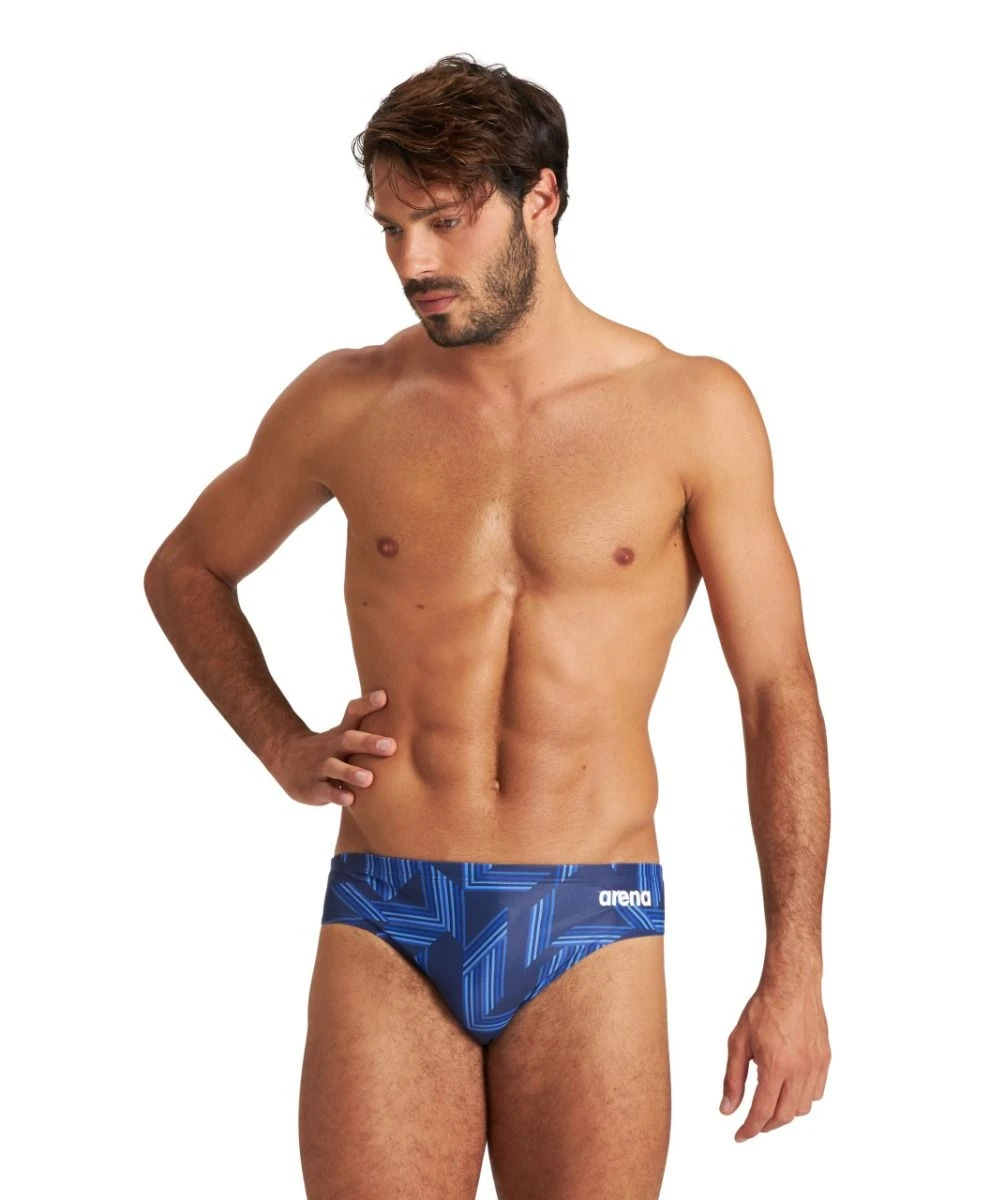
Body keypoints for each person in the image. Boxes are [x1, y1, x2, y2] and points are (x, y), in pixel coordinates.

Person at [144, 51, 830, 1200]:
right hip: (388, 908)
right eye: (391, 227)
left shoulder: (691, 411)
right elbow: (187, 569)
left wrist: (794, 968)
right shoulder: (349, 400)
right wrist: (279, 743)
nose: (412, 262)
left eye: (446, 221)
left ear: (540, 198)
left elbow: (777, 694)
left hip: (592, 911)